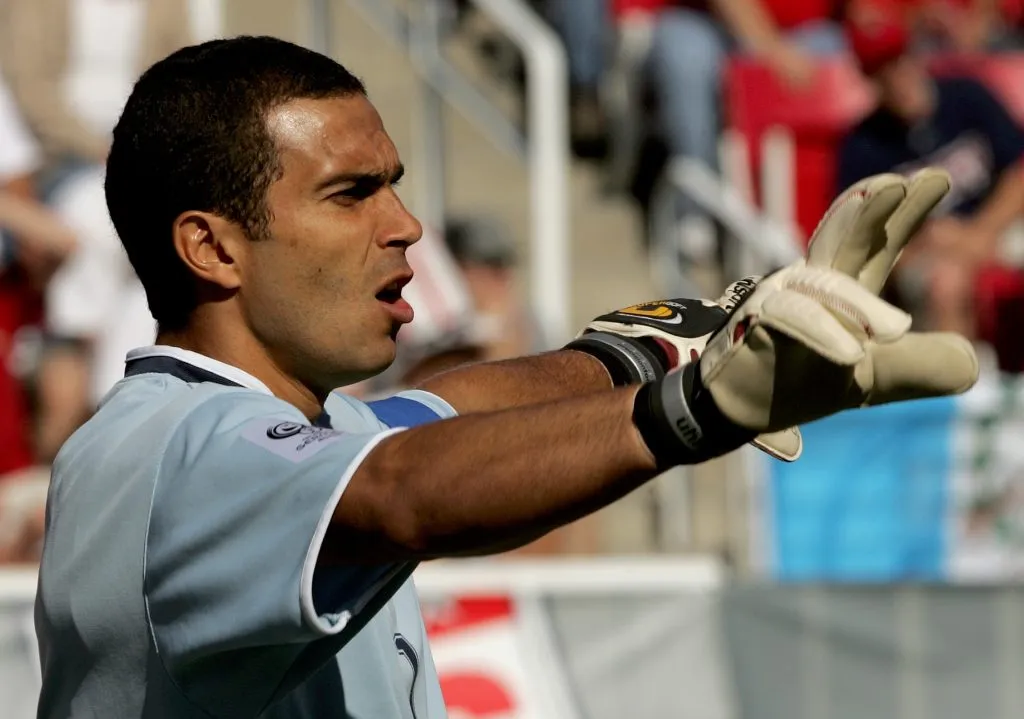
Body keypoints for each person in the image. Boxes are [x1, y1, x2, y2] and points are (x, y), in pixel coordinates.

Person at [34, 36, 978, 719]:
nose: (405, 224)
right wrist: (694, 407)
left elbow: (449, 413)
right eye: (351, 191)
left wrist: (666, 342)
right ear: (211, 247)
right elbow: (408, 489)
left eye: (395, 184)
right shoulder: (176, 451)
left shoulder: (284, 435)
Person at [1, 0, 194, 462]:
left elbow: (184, 83)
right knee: (102, 226)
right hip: (64, 158)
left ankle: (110, 409)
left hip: (143, 156)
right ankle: (83, 387)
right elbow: (33, 95)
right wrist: (107, 151)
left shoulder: (167, 8)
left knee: (155, 255)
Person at [839, 0, 1024, 337]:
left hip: (997, 228)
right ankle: (965, 388)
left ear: (915, 55)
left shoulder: (966, 97)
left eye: (899, 61)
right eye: (882, 70)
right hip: (928, 255)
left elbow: (1019, 172)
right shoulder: (863, 145)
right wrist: (924, 241)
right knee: (946, 282)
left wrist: (981, 232)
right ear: (868, 78)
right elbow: (859, 244)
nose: (897, 77)